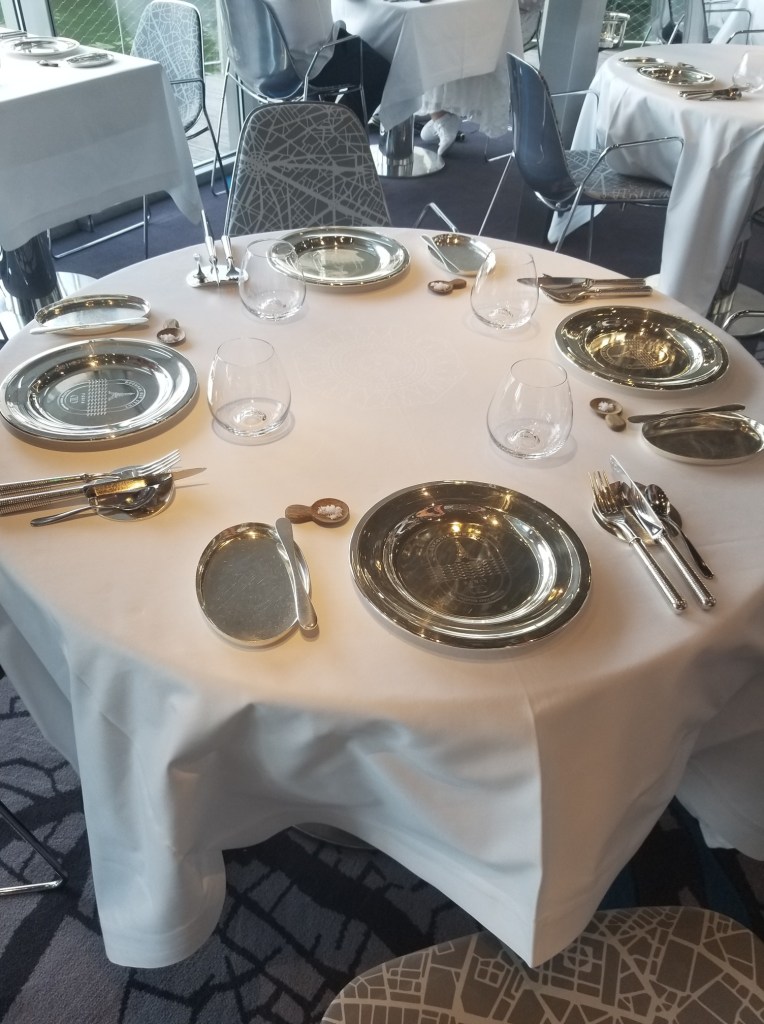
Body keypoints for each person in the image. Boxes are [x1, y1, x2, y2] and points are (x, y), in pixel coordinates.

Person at [269, 0, 389, 125]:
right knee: (377, 71)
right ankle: (337, 133)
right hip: (308, 62)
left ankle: (319, 122)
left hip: (269, 65)